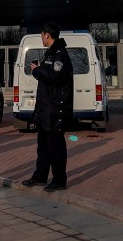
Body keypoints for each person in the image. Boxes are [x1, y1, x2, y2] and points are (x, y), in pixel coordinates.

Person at [22, 22, 74, 192]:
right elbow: (49, 77)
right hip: (46, 110)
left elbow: (57, 77)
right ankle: (40, 176)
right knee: (43, 146)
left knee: (56, 147)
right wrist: (41, 68)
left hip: (55, 110)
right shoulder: (50, 54)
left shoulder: (60, 54)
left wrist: (37, 70)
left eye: (42, 36)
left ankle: (59, 180)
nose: (41, 39)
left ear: (46, 35)